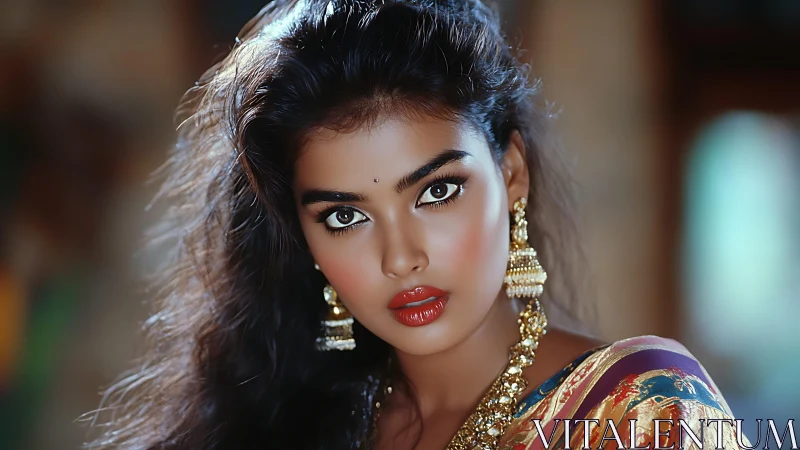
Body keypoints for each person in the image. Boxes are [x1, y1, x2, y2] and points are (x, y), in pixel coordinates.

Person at [86, 1, 747, 449]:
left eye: (437, 191)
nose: (400, 257)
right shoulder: (305, 422)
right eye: (344, 215)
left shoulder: (638, 408)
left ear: (511, 171)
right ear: (303, 236)